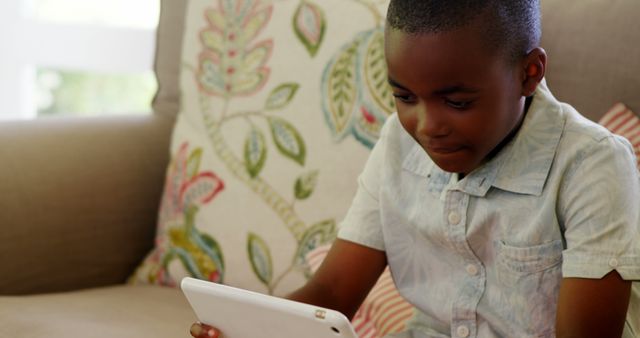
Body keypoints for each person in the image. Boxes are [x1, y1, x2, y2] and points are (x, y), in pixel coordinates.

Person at [191, 0, 640, 337]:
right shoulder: (397, 142)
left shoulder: (592, 165)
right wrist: (248, 328)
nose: (426, 127)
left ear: (529, 72)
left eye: (458, 102)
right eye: (404, 97)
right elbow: (330, 297)